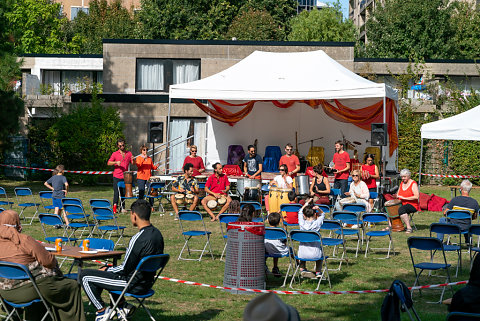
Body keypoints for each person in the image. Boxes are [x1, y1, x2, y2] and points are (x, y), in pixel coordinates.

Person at [80, 200, 164, 321]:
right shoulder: (158, 234)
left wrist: (108, 268)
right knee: (109, 273)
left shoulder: (137, 239)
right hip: (147, 283)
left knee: (85, 276)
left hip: (132, 284)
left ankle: (102, 312)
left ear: (134, 215)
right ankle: (122, 306)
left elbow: (124, 269)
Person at [0, 210, 86, 321]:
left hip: (5, 293)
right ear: (18, 225)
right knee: (71, 285)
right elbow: (49, 261)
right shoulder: (24, 240)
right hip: (31, 290)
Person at [297, 199, 325, 279]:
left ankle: (302, 269)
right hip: (315, 254)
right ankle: (318, 272)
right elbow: (322, 215)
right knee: (321, 251)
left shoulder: (302, 224)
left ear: (304, 216)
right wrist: (318, 209)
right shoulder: (316, 224)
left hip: (302, 255)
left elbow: (300, 211)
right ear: (314, 215)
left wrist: (306, 203)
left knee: (303, 248)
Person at [107, 138, 133, 214]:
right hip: (117, 176)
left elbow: (133, 163)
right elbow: (108, 163)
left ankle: (122, 208)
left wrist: (133, 160)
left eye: (123, 145)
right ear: (118, 146)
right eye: (120, 145)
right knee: (116, 193)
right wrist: (115, 162)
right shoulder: (115, 154)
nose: (122, 147)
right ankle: (114, 208)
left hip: (125, 177)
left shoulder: (129, 153)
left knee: (123, 193)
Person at [265, 212, 290, 277]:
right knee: (290, 249)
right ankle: (299, 264)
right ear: (279, 222)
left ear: (268, 221)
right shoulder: (281, 231)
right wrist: (284, 228)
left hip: (268, 250)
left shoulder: (265, 230)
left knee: (273, 246)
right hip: (280, 251)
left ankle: (273, 267)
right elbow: (284, 242)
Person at [395, 169, 418, 234]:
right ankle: (392, 226)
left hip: (412, 205)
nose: (403, 178)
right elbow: (398, 194)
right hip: (402, 203)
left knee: (402, 209)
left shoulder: (413, 183)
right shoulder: (402, 183)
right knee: (391, 208)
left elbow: (416, 196)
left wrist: (404, 198)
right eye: (402, 177)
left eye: (404, 177)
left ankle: (409, 227)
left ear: (409, 176)